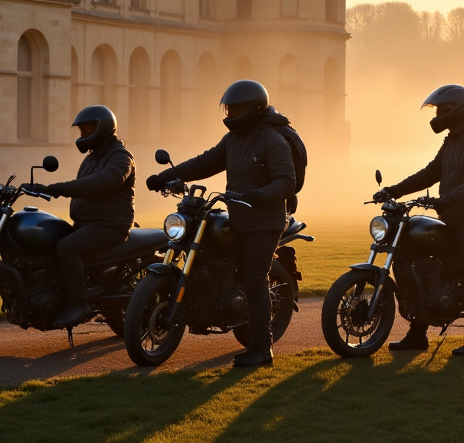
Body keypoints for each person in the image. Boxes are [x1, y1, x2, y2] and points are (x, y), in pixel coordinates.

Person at [146, 79, 298, 368]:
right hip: (239, 218)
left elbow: (286, 182)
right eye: (228, 109)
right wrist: (166, 176)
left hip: (265, 222)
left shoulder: (271, 139)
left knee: (254, 280)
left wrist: (256, 195)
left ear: (253, 108)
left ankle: (262, 349)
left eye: (236, 109)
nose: (230, 114)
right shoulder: (234, 139)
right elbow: (206, 162)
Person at [375, 84, 464, 356]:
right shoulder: (452, 140)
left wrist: (450, 197)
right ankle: (418, 334)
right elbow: (431, 172)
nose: (437, 113)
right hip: (451, 216)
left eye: (441, 108)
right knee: (424, 269)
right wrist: (393, 190)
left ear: (456, 109)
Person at [36, 105, 135, 328]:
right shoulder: (92, 158)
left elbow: (105, 181)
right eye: (81, 131)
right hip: (87, 224)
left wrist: (58, 188)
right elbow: (85, 186)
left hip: (110, 226)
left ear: (103, 128)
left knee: (67, 247)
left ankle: (78, 305)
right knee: (49, 241)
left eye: (87, 130)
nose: (82, 135)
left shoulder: (121, 156)